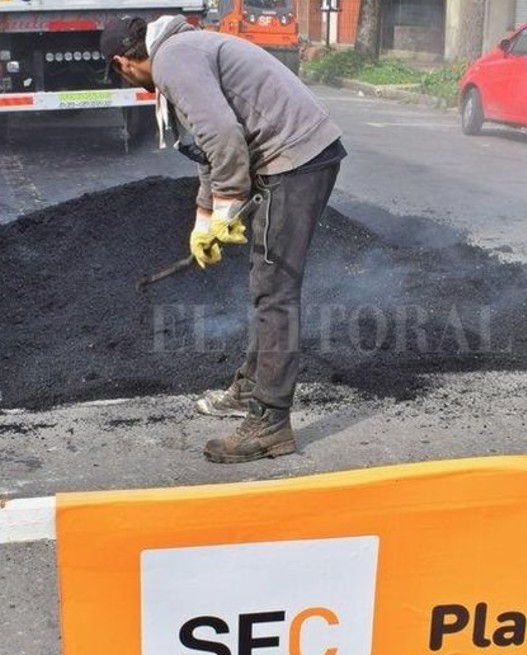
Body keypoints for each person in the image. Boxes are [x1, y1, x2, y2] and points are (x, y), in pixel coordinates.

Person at [101, 14, 346, 464]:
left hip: (296, 159)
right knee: (264, 280)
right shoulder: (184, 50)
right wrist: (204, 217)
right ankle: (252, 387)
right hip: (293, 155)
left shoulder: (172, 59)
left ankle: (270, 422)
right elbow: (206, 148)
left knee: (275, 290)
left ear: (123, 62)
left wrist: (229, 204)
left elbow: (223, 135)